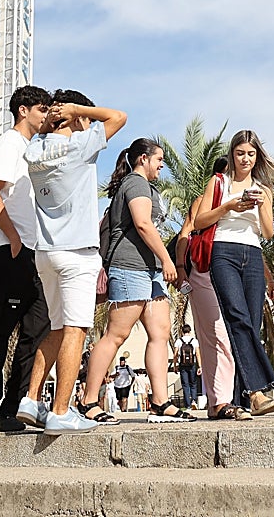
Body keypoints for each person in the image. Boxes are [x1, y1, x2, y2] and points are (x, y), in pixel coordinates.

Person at [15, 90, 127, 434]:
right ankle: (61, 411)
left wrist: (52, 122)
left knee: (57, 327)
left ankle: (31, 400)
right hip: (77, 252)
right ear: (77, 118)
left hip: (45, 253)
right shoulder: (81, 145)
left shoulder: (33, 151)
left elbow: (45, 136)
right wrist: (81, 111)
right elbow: (119, 116)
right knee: (75, 330)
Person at [79, 139, 195, 423]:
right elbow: (142, 223)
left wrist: (161, 264)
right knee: (116, 335)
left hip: (151, 270)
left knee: (160, 334)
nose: (162, 165)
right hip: (130, 266)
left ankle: (160, 402)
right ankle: (89, 402)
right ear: (143, 158)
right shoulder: (136, 183)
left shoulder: (145, 186)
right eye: (159, 159)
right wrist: (168, 261)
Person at [0, 85, 53, 432]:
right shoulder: (10, 142)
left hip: (30, 250)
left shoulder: (31, 150)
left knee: (38, 327)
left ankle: (15, 406)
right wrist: (13, 237)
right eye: (41, 109)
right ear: (23, 110)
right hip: (8, 249)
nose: (46, 115)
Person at [194, 130, 274, 416]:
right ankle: (258, 392)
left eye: (250, 153)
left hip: (253, 253)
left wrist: (260, 207)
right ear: (232, 154)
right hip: (223, 252)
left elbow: (268, 233)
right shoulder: (219, 181)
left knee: (252, 323)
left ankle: (241, 400)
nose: (245, 159)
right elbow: (199, 220)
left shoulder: (264, 189)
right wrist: (228, 206)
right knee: (237, 317)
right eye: (240, 153)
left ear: (257, 156)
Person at [173, 159, 247, 421]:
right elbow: (187, 232)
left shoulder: (244, 199)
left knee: (219, 337)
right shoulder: (206, 198)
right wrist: (181, 269)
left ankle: (219, 401)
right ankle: (222, 401)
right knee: (216, 336)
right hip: (203, 272)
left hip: (225, 273)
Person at [172, 324, 201, 410]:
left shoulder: (178, 341)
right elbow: (198, 354)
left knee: (185, 385)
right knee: (193, 384)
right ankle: (194, 401)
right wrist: (200, 366)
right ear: (190, 331)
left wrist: (175, 366)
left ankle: (188, 405)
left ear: (182, 331)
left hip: (182, 365)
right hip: (192, 364)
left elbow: (175, 355)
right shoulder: (194, 341)